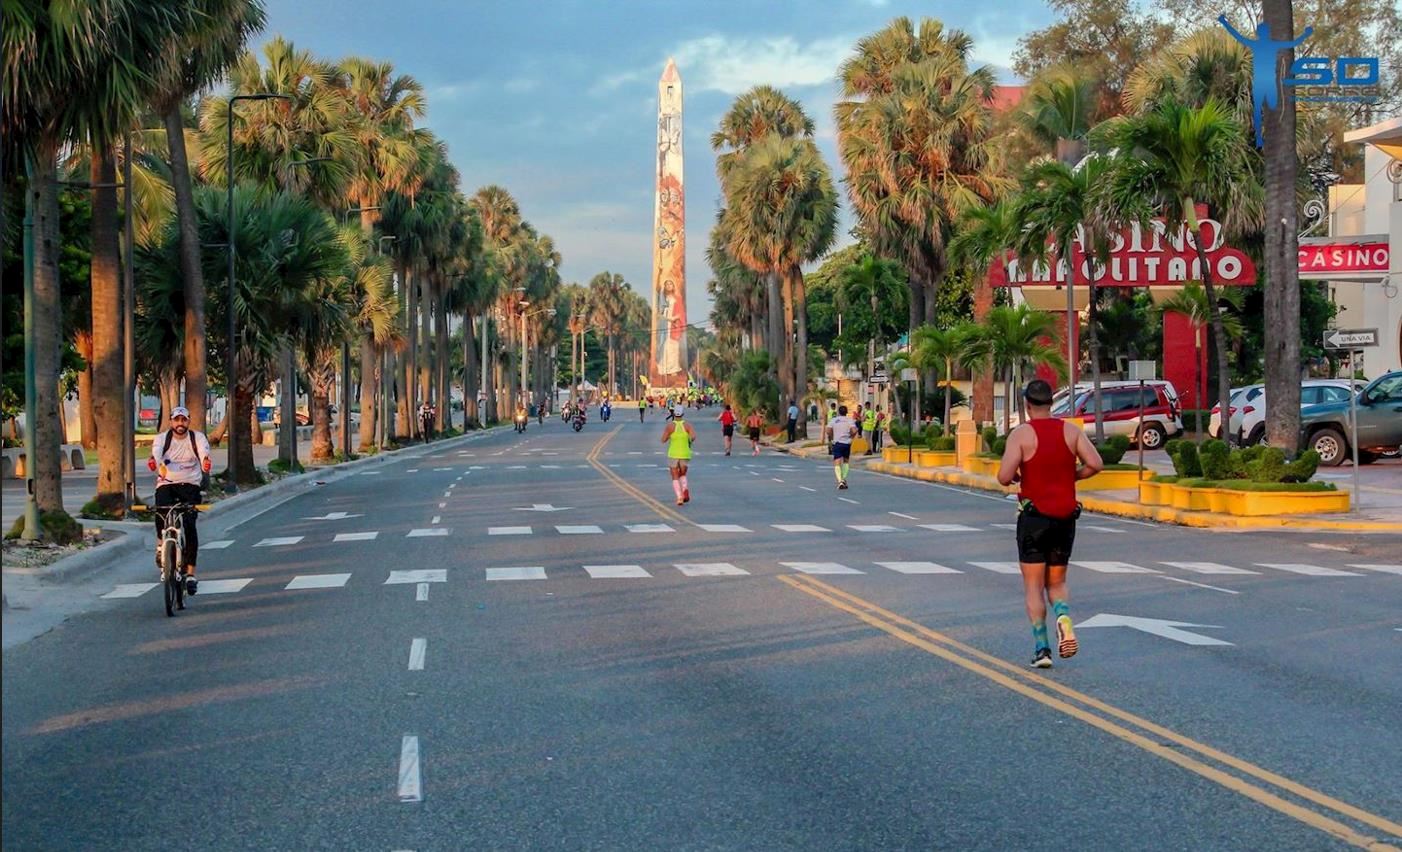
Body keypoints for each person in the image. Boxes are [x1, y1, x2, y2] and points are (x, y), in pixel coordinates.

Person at [997, 379, 1105, 669]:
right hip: (1065, 518)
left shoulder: (1022, 434)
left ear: (1028, 405)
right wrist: (1073, 477)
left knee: (1033, 586)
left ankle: (1042, 648)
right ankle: (1065, 618)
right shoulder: (1071, 431)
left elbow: (1004, 476)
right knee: (1056, 583)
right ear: (1051, 403)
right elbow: (1096, 463)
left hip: (1033, 518)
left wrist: (1020, 476)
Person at [148, 406, 212, 595]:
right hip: (167, 484)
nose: (180, 424)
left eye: (183, 420)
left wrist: (205, 462)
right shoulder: (162, 439)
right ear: (171, 422)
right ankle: (161, 545)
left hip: (190, 484)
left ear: (188, 421)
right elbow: (156, 454)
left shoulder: (197, 438)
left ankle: (191, 574)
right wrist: (153, 461)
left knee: (190, 525)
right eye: (177, 420)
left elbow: (203, 454)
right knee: (160, 510)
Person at [660, 404, 696, 505]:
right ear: (683, 414)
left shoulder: (670, 426)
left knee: (674, 475)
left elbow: (663, 440)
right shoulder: (688, 426)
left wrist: (670, 436)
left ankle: (679, 497)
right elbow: (693, 437)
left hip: (673, 453)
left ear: (673, 414)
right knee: (683, 474)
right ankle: (685, 488)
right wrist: (687, 439)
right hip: (685, 453)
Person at [825, 404, 857, 490]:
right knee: (846, 462)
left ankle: (840, 481)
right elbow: (854, 430)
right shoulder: (850, 420)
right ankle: (843, 479)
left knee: (837, 462)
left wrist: (832, 437)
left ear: (839, 412)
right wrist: (851, 437)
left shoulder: (834, 420)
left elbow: (828, 430)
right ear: (846, 412)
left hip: (837, 443)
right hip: (847, 443)